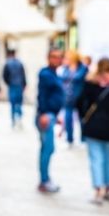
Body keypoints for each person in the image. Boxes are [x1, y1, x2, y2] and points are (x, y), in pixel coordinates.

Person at [77, 58, 109, 204]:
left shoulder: (90, 84)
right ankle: (108, 187)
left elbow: (79, 103)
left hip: (93, 126)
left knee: (96, 159)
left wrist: (84, 117)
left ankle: (98, 189)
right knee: (108, 159)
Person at [36, 49, 65, 193]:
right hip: (45, 115)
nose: (56, 60)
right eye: (53, 57)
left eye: (59, 57)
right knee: (47, 148)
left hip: (51, 114)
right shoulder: (46, 74)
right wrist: (44, 113)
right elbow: (42, 95)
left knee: (48, 148)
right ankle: (44, 180)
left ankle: (45, 178)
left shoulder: (54, 74)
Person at [60, 50, 89, 148]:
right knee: (68, 118)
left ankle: (83, 139)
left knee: (82, 118)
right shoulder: (66, 68)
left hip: (80, 97)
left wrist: (69, 77)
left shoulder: (83, 68)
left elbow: (79, 77)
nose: (66, 60)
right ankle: (69, 139)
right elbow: (62, 78)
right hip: (68, 96)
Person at [3, 50, 27, 128]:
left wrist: (8, 83)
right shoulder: (20, 63)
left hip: (12, 85)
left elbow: (4, 76)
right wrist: (24, 84)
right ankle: (19, 118)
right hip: (19, 85)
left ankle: (13, 119)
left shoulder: (7, 64)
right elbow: (23, 75)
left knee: (12, 103)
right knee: (19, 103)